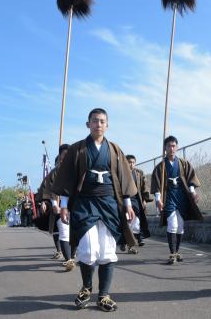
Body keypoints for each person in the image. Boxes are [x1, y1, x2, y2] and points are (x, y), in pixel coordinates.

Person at [52, 108, 137, 312]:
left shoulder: (115, 150)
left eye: (102, 121)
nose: (98, 124)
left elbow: (124, 178)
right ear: (87, 124)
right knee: (88, 250)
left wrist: (127, 204)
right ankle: (86, 288)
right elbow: (68, 178)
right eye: (94, 121)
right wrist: (64, 205)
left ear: (107, 125)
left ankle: (104, 295)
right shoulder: (77, 149)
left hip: (109, 204)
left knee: (107, 251)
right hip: (85, 203)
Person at [150, 136, 202, 265]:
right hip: (169, 196)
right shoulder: (161, 167)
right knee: (172, 224)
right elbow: (157, 184)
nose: (171, 148)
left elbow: (190, 179)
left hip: (182, 196)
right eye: (169, 146)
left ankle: (177, 251)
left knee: (180, 226)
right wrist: (158, 199)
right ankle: (172, 252)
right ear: (165, 148)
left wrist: (193, 192)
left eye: (173, 146)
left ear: (177, 147)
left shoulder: (184, 163)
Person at [119, 155, 152, 253]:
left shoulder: (139, 173)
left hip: (136, 200)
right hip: (124, 201)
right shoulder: (121, 173)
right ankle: (125, 242)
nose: (131, 164)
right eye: (129, 162)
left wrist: (144, 199)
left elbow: (144, 187)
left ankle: (131, 244)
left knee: (135, 222)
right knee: (126, 222)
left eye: (133, 162)